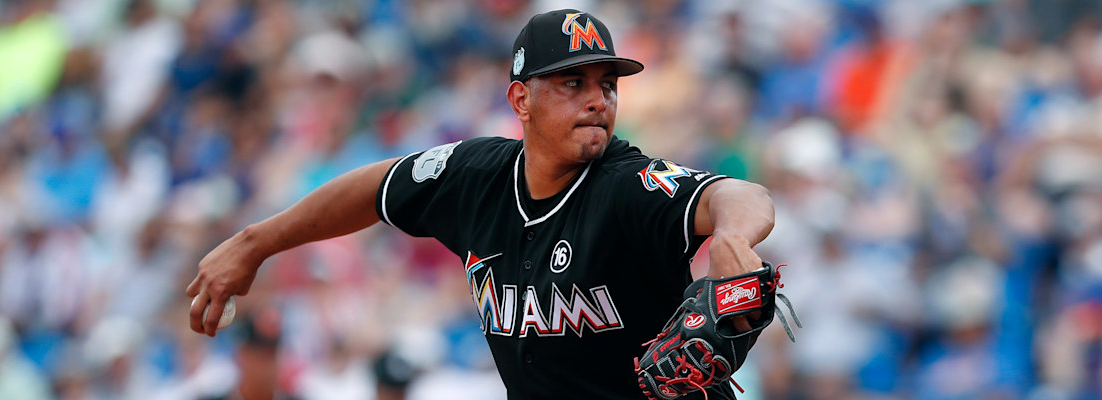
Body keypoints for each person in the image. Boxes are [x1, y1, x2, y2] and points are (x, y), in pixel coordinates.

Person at [186, 9, 775, 399]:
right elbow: (375, 189)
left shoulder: (626, 185)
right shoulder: (476, 176)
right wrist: (254, 243)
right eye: (573, 83)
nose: (598, 99)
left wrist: (731, 235)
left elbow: (739, 196)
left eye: (607, 84)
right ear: (521, 99)